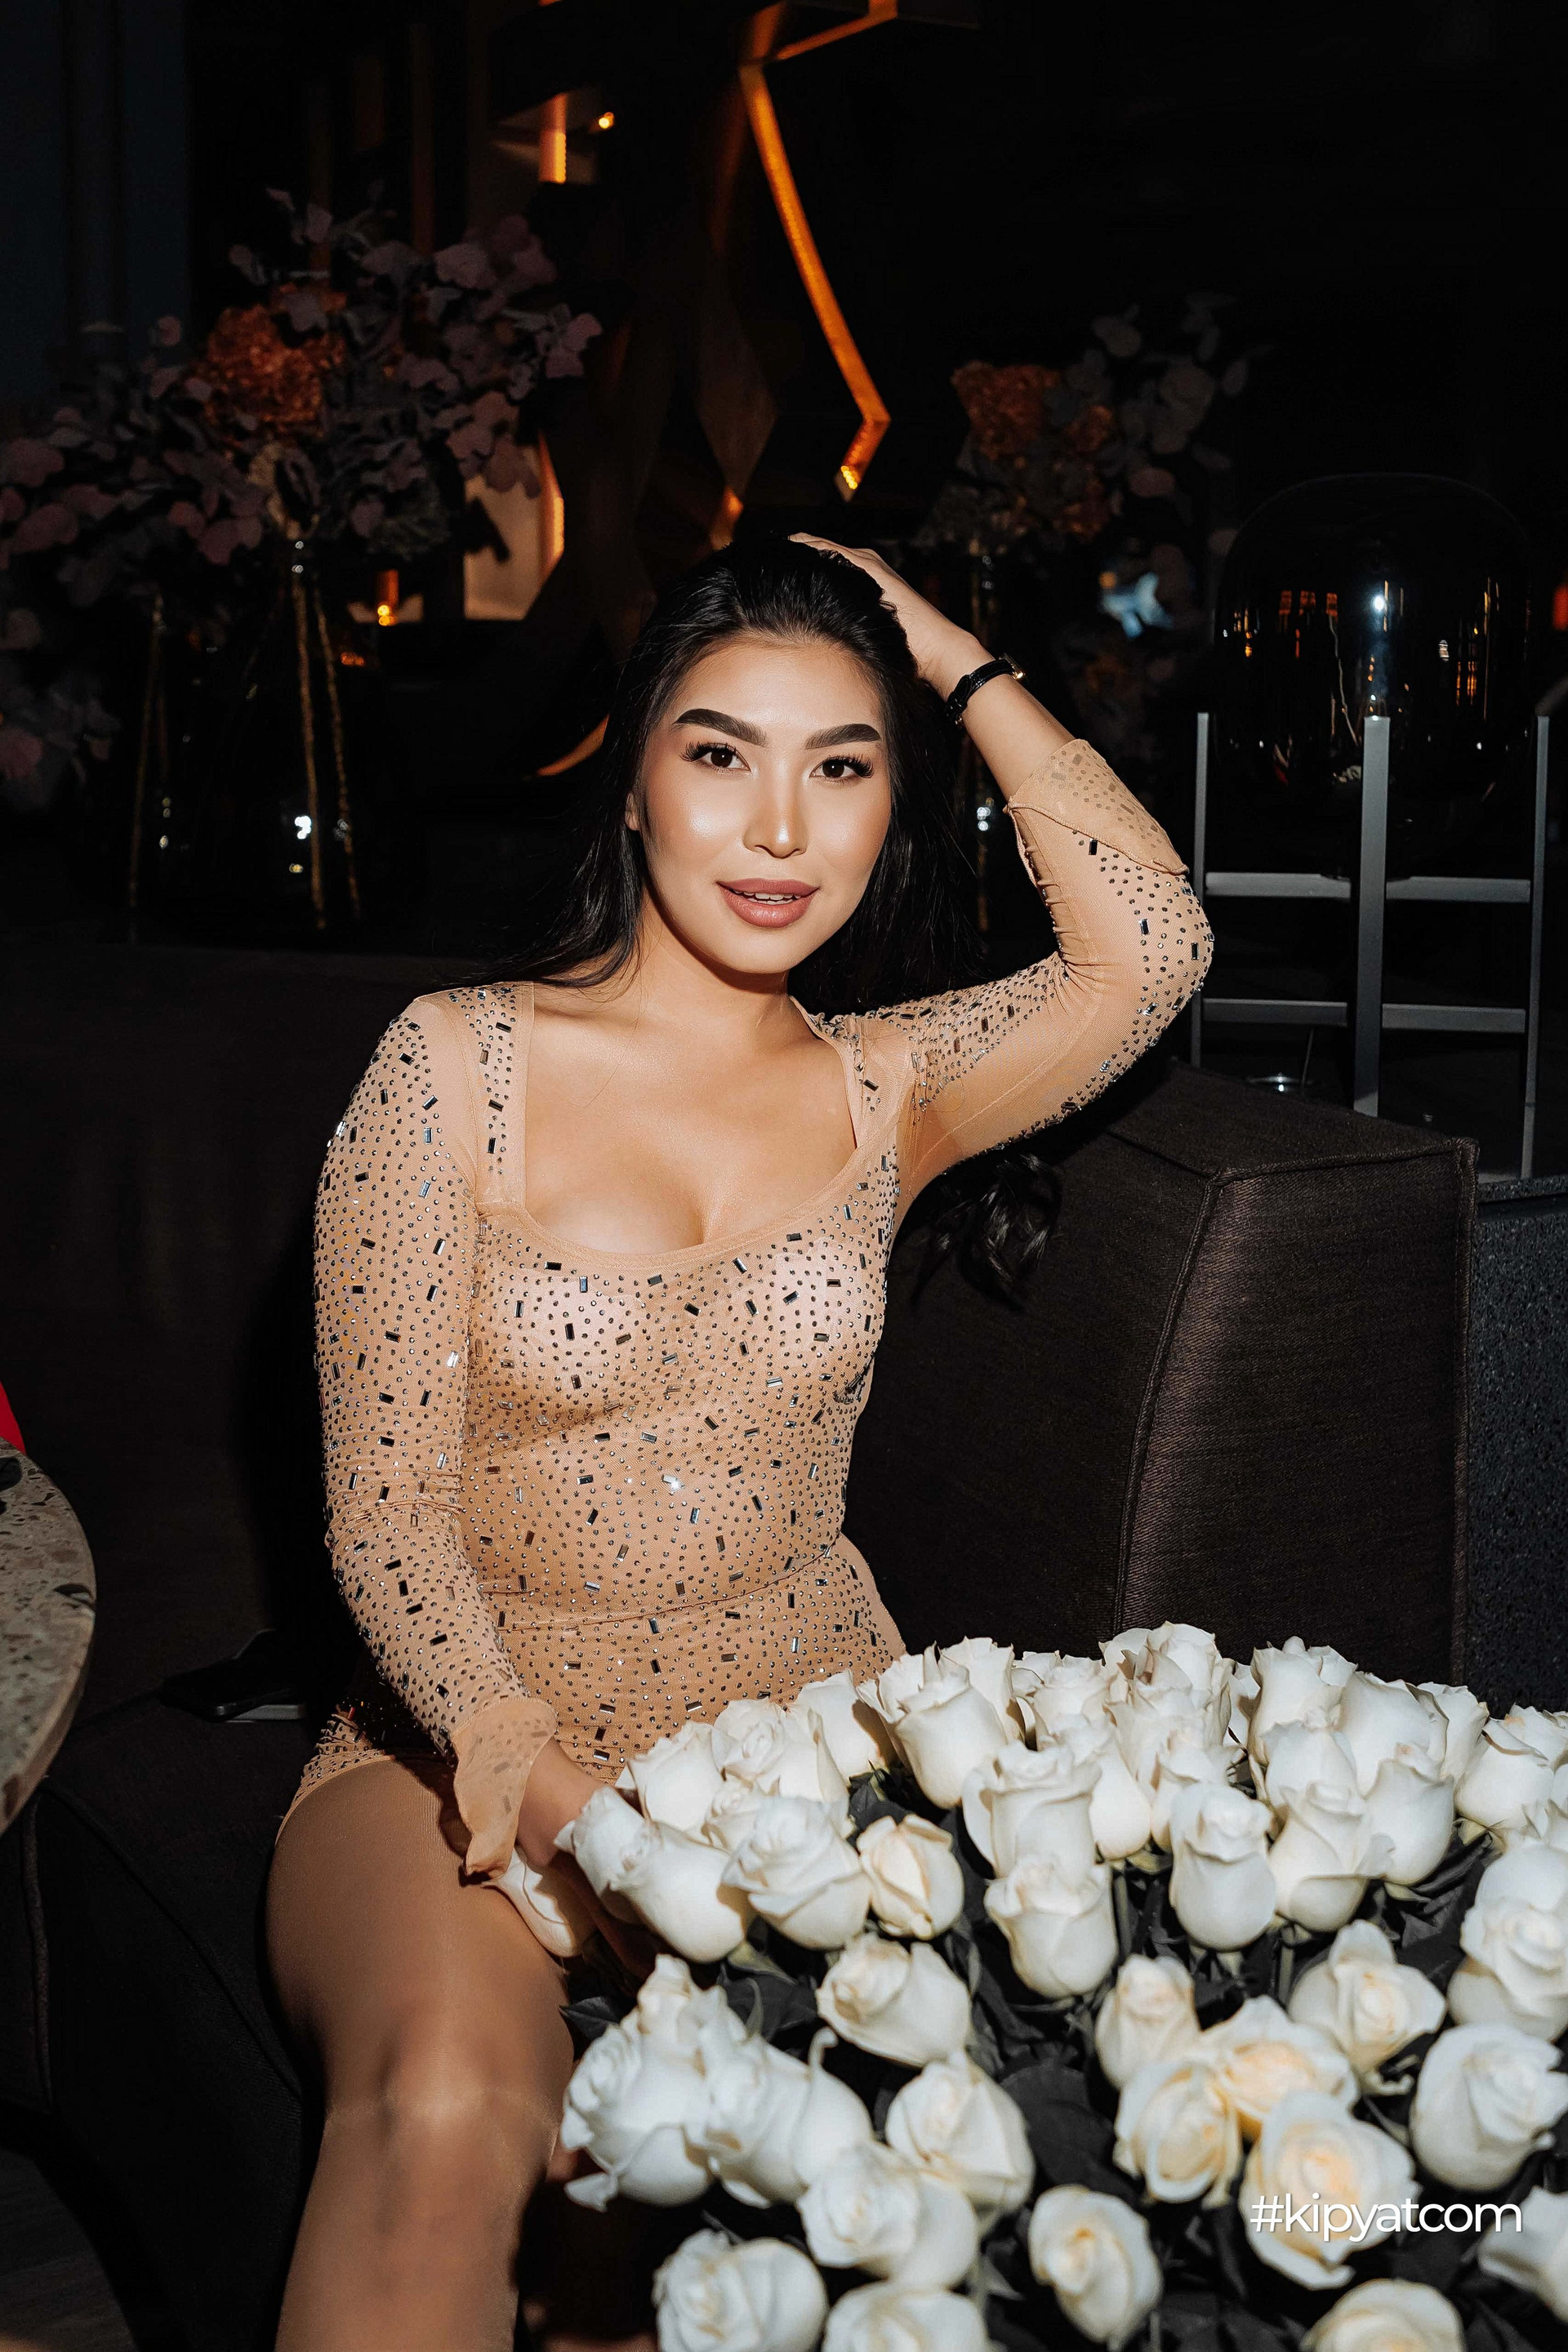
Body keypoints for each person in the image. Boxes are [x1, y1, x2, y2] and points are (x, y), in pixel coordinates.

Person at [265, 535, 1212, 2349]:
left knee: (787, 2213)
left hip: (800, 1756)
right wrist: (580, 1823)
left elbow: (1152, 942)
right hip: (463, 1752)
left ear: (889, 807)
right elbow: (382, 1519)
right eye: (720, 753)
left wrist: (943, 653)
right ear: (630, 780)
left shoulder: (893, 1084)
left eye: (839, 767)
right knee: (451, 2113)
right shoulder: (452, 1066)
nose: (781, 828)